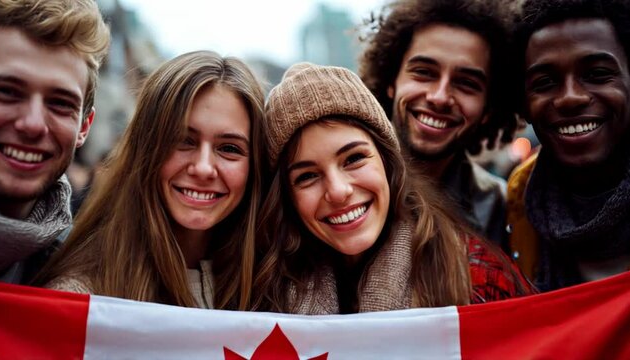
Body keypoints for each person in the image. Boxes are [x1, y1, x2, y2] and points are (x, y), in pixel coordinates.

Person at [252, 63, 532, 314]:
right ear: (286, 196)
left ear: (388, 162)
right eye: (307, 176)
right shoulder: (262, 297)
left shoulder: (476, 277)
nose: (338, 191)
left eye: (354, 159)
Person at [35, 51, 266, 310]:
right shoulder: (79, 299)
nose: (203, 168)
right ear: (145, 151)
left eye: (229, 148)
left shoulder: (274, 291)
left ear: (255, 165)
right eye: (182, 140)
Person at [358, 0, 519, 250]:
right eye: (424, 72)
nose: (439, 97)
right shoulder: (343, 187)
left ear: (489, 108)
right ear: (391, 80)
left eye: (466, 83)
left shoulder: (501, 210)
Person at [507, 0, 630, 291]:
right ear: (523, 104)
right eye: (545, 82)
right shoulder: (517, 199)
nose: (569, 98)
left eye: (597, 74)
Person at [0, 0, 110, 284]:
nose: (32, 124)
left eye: (59, 103)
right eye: (7, 92)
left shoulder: (95, 282)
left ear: (84, 127)